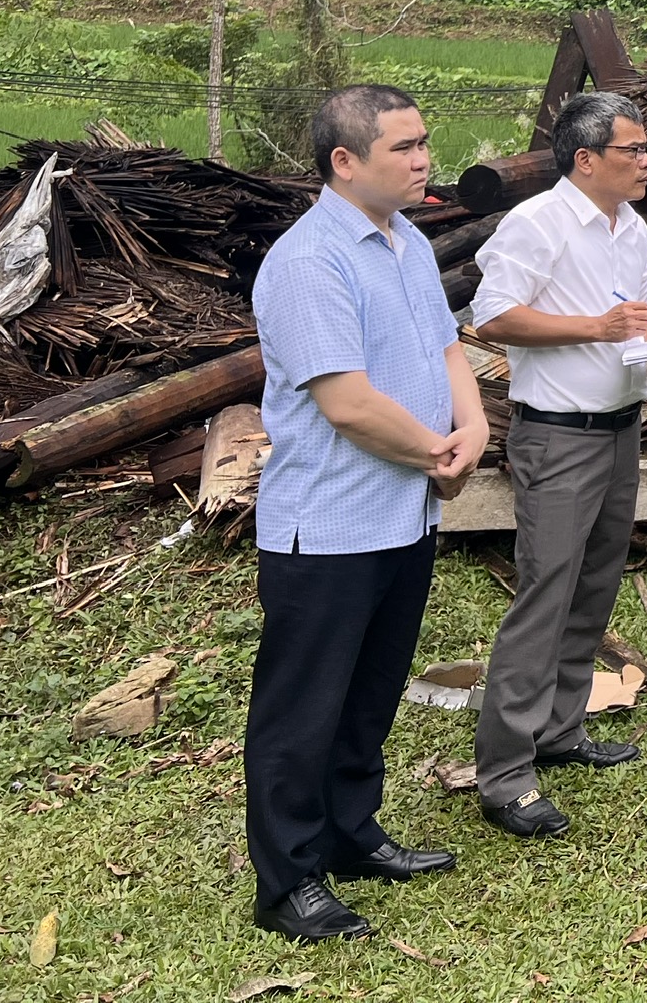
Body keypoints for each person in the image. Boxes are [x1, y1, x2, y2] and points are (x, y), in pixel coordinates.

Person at [245, 85, 488, 942]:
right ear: (345, 162)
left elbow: (446, 344)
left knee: (369, 693)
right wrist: (438, 451)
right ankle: (289, 881)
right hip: (332, 524)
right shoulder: (311, 261)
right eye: (404, 148)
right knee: (302, 708)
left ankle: (352, 834)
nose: (425, 160)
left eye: (425, 143)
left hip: (406, 513)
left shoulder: (408, 243)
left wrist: (475, 424)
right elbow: (345, 402)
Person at [469, 91, 647, 839]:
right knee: (545, 594)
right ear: (586, 159)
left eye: (646, 150)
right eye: (633, 151)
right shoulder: (537, 223)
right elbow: (493, 316)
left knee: (594, 584)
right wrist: (597, 326)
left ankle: (561, 728)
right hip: (558, 434)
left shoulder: (632, 226)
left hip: (619, 426)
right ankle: (507, 773)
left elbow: (630, 316)